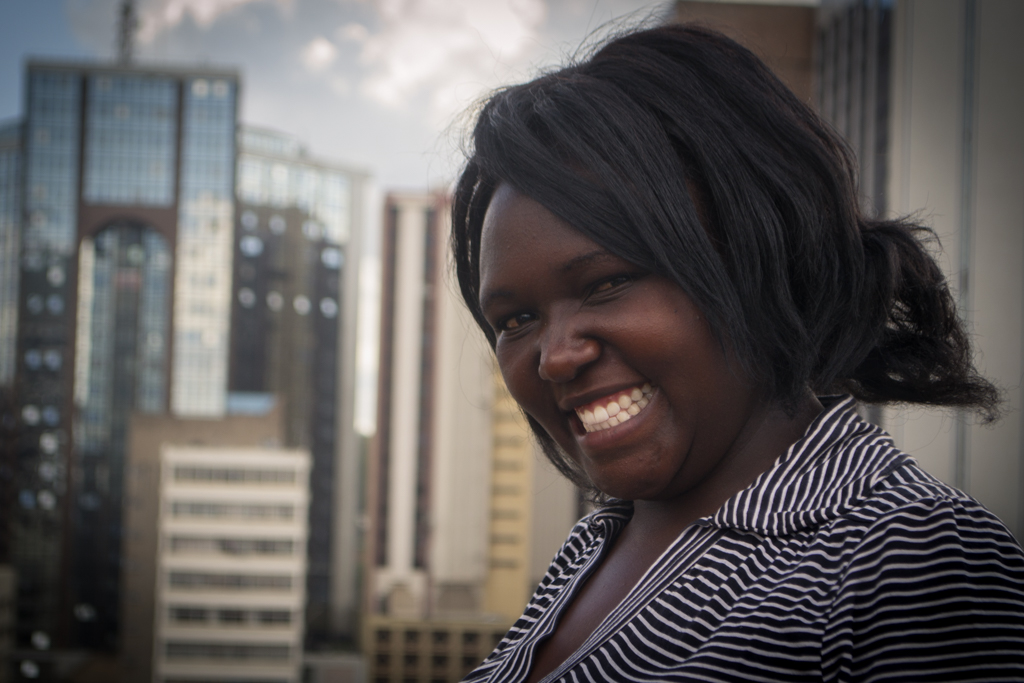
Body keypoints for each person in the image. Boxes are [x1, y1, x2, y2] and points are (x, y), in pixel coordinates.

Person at [449, 23, 1024, 683]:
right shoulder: (592, 547)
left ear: (754, 257)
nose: (554, 357)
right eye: (517, 319)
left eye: (606, 283)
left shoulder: (912, 553)